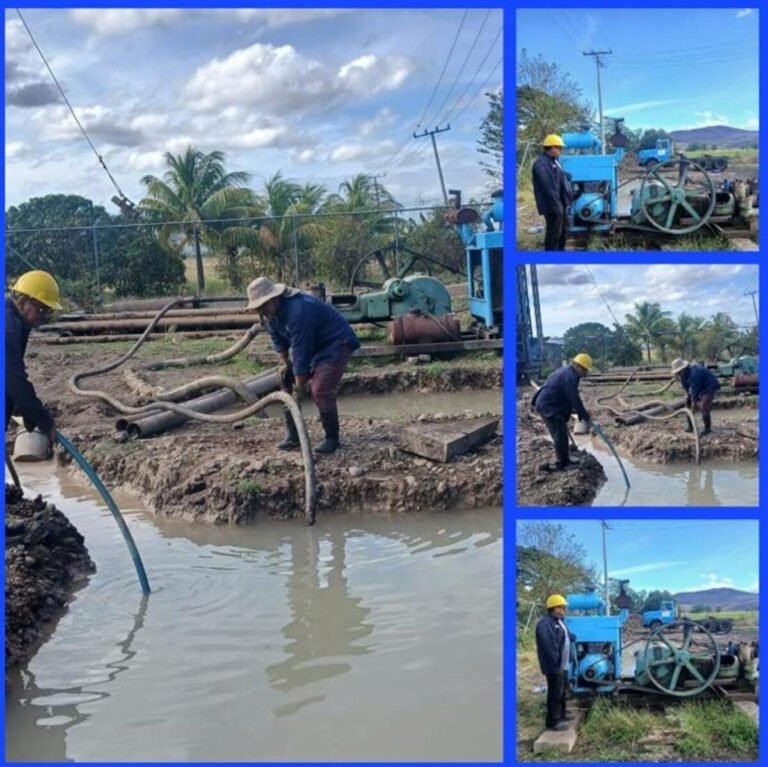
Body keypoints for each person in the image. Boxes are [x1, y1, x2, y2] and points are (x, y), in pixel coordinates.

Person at [246, 276, 360, 455]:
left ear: (274, 298)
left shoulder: (298, 310)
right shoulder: (270, 314)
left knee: (320, 389)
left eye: (264, 306)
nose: (262, 311)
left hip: (335, 342)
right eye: (258, 308)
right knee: (285, 378)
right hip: (315, 346)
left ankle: (332, 438)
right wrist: (284, 364)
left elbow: (301, 352)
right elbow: (278, 339)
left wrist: (299, 388)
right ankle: (294, 435)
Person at [5, 270, 61, 444]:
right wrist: (43, 420)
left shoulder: (17, 322)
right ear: (22, 301)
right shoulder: (7, 327)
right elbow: (14, 378)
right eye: (41, 309)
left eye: (48, 311)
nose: (44, 316)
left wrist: (22, 406)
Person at [532, 354, 593, 471]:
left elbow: (566, 395)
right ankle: (562, 464)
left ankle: (566, 460)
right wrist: (585, 416)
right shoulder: (570, 376)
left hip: (551, 404)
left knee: (562, 435)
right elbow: (574, 398)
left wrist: (578, 412)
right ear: (578, 366)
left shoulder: (568, 372)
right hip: (549, 407)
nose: (586, 373)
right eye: (585, 370)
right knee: (560, 436)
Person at [535, 594, 574, 731]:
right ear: (555, 608)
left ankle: (562, 714)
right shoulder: (545, 624)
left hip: (562, 664)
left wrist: (572, 637)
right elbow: (549, 646)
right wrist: (556, 664)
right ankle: (553, 722)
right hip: (554, 665)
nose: (564, 610)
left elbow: (565, 635)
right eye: (563, 607)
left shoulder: (559, 621)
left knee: (562, 690)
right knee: (555, 693)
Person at [532, 134, 572, 251]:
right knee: (554, 234)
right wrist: (557, 206)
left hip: (560, 203)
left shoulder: (554, 161)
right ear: (552, 147)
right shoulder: (541, 163)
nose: (561, 150)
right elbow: (547, 186)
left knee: (563, 231)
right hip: (552, 205)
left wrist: (565, 176)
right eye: (559, 147)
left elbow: (557, 177)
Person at [671, 357, 721, 435]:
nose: (678, 374)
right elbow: (687, 389)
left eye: (679, 372)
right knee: (687, 403)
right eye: (677, 373)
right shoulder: (682, 376)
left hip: (709, 386)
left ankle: (707, 428)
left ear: (683, 369)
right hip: (699, 387)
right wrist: (688, 399)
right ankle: (690, 426)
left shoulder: (695, 372)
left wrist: (693, 403)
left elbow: (695, 390)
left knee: (704, 405)